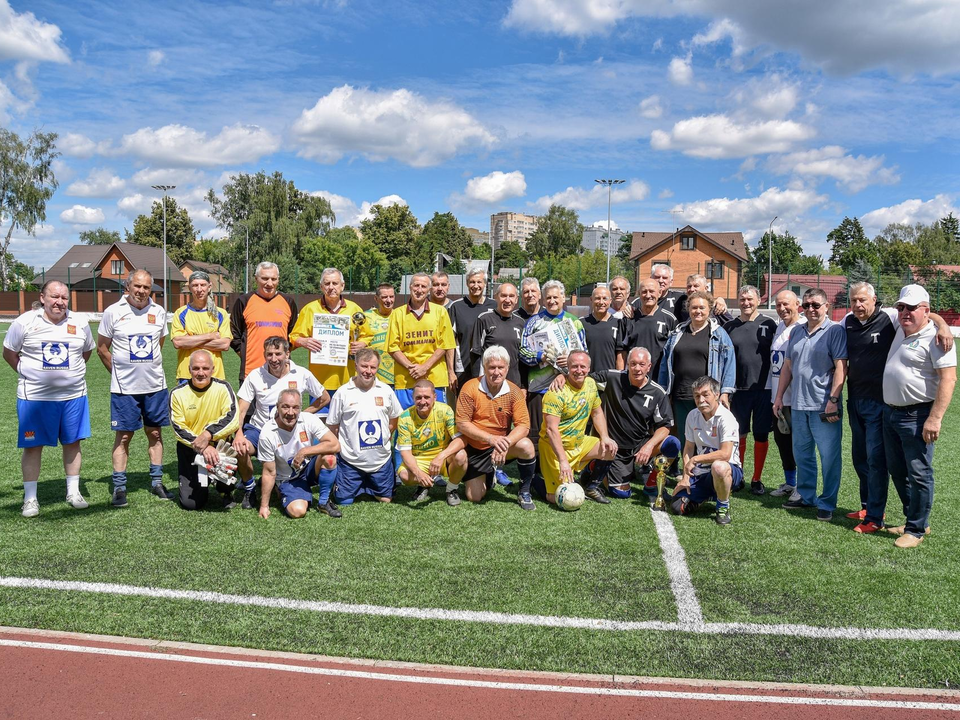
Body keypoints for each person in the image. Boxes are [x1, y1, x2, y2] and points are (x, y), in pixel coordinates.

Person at [843, 281, 953, 529]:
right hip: (874, 406)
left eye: (863, 300)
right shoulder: (862, 323)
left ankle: (903, 523)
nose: (858, 305)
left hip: (902, 409)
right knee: (881, 465)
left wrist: (943, 324)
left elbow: (948, 377)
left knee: (906, 469)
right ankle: (890, 514)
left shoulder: (903, 323)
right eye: (854, 301)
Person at [3, 280, 95, 517]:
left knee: (73, 443)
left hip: (73, 396)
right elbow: (9, 353)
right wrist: (29, 375)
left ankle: (73, 492)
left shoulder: (80, 323)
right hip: (34, 398)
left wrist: (68, 376)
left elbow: (86, 351)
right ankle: (31, 499)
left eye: (64, 298)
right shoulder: (24, 322)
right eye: (55, 297)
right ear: (42, 298)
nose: (60, 302)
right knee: (33, 446)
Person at [881, 284, 956, 547]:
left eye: (912, 308)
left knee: (919, 472)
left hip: (917, 414)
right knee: (898, 470)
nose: (905, 312)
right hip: (890, 413)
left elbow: (948, 379)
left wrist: (934, 419)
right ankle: (915, 520)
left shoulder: (936, 338)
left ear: (925, 310)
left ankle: (915, 531)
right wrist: (938, 320)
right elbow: (919, 312)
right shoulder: (901, 327)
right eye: (902, 307)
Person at [97, 269, 172, 507]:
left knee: (156, 434)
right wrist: (119, 373)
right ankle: (119, 487)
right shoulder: (113, 312)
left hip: (155, 385)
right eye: (137, 286)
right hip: (124, 389)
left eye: (146, 287)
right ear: (127, 287)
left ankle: (157, 482)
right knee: (124, 437)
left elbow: (158, 345)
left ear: (151, 289)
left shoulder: (159, 312)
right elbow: (102, 348)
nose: (141, 291)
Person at [773, 288, 847, 522]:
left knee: (829, 457)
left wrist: (833, 400)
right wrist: (778, 397)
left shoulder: (834, 331)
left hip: (824, 406)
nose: (811, 309)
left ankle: (827, 503)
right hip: (798, 404)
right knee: (803, 454)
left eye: (816, 305)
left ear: (827, 307)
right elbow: (787, 366)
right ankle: (806, 496)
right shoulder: (796, 331)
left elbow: (841, 367)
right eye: (807, 305)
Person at [233, 336, 329, 509]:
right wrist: (238, 433)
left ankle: (285, 483)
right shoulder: (255, 375)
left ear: (288, 354)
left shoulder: (301, 374)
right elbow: (241, 409)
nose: (274, 359)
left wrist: (303, 415)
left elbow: (324, 398)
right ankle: (249, 488)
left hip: (288, 430)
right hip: (260, 428)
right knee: (241, 448)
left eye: (278, 354)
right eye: (269, 354)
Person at [658, 290, 735, 477]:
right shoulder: (677, 332)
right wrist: (663, 391)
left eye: (702, 307)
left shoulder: (719, 334)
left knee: (709, 438)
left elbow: (730, 364)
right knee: (687, 438)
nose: (698, 311)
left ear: (709, 309)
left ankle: (712, 475)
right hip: (681, 394)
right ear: (688, 309)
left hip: (707, 398)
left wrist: (724, 392)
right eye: (694, 307)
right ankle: (687, 474)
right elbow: (665, 363)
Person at [454, 345, 537, 509]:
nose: (496, 372)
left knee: (526, 446)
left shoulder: (514, 392)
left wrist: (505, 443)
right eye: (492, 367)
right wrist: (491, 439)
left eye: (501, 367)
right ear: (484, 367)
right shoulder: (470, 387)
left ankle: (524, 492)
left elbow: (524, 426)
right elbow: (462, 424)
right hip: (475, 448)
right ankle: (489, 474)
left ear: (507, 369)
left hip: (500, 446)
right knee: (474, 497)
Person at [585, 347, 673, 499]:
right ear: (627, 364)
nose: (637, 368)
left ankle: (652, 484)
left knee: (672, 444)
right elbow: (583, 378)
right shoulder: (612, 377)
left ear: (649, 367)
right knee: (621, 494)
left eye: (641, 364)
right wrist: (563, 376)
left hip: (639, 444)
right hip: (615, 448)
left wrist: (648, 446)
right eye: (633, 364)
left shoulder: (657, 392)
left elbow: (665, 426)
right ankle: (595, 466)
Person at [537, 350, 617, 505]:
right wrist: (563, 461)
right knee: (557, 499)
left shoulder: (591, 384)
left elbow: (597, 412)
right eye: (574, 366)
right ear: (567, 367)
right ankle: (535, 481)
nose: (579, 370)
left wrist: (605, 437)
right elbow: (551, 430)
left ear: (589, 368)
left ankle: (590, 485)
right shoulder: (556, 393)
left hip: (579, 443)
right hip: (555, 449)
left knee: (610, 449)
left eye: (583, 366)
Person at [326, 348, 403, 505]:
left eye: (373, 367)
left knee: (386, 500)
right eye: (364, 366)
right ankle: (355, 482)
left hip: (380, 460)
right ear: (355, 366)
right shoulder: (342, 393)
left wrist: (384, 437)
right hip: (351, 461)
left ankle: (369, 484)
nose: (368, 371)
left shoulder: (386, 390)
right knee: (343, 501)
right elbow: (333, 427)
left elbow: (394, 419)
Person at [169, 350, 240, 510]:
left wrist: (208, 435)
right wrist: (202, 446)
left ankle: (225, 490)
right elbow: (178, 427)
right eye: (196, 368)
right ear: (189, 369)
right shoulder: (177, 393)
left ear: (213, 369)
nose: (201, 373)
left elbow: (233, 417)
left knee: (225, 480)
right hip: (190, 448)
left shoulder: (223, 388)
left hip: (219, 447)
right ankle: (203, 485)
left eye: (205, 368)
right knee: (191, 504)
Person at [723, 285, 777, 495]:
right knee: (740, 435)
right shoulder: (730, 326)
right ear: (738, 301)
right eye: (742, 299)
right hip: (739, 390)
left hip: (764, 389)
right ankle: (740, 475)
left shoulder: (769, 324)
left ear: (758, 300)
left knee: (761, 435)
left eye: (750, 299)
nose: (746, 303)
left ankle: (757, 479)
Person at [257, 389, 342, 519]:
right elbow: (268, 472)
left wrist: (304, 451)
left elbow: (335, 444)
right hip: (288, 478)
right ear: (277, 407)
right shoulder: (267, 433)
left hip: (308, 469)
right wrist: (264, 506)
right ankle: (280, 488)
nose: (290, 413)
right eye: (285, 407)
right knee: (298, 511)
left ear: (300, 408)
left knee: (330, 457)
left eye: (295, 408)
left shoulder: (308, 419)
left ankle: (323, 502)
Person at [669, 376, 743, 525]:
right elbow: (689, 448)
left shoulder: (726, 418)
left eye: (705, 394)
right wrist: (685, 477)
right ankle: (708, 494)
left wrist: (695, 459)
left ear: (716, 395)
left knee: (719, 467)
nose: (701, 400)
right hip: (702, 472)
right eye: (697, 396)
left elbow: (725, 454)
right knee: (677, 506)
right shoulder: (692, 415)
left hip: (729, 468)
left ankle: (722, 507)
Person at [289, 267, 365, 410]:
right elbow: (294, 337)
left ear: (342, 286)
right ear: (321, 287)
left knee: (347, 425)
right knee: (320, 426)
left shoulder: (354, 309)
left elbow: (367, 335)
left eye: (335, 283)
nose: (331, 287)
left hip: (348, 380)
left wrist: (362, 343)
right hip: (319, 381)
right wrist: (303, 341)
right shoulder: (310, 309)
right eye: (327, 283)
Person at [388, 272, 456, 409]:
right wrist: (411, 367)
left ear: (429, 290)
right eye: (416, 286)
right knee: (405, 423)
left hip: (434, 380)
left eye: (423, 286)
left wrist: (425, 367)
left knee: (435, 423)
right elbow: (392, 347)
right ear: (410, 287)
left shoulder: (440, 312)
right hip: (405, 380)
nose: (419, 290)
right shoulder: (397, 314)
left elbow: (446, 344)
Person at [396, 379, 468, 505]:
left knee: (461, 456)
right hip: (420, 459)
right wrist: (419, 474)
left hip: (443, 457)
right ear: (413, 397)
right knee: (404, 475)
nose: (422, 402)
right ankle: (424, 484)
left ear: (434, 397)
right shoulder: (404, 417)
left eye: (426, 397)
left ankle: (451, 489)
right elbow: (405, 452)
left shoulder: (445, 410)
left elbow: (461, 440)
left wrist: (441, 456)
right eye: (418, 397)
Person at [230, 261, 298, 383]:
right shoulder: (243, 301)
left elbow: (293, 335)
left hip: (281, 374)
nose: (269, 283)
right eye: (265, 278)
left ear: (278, 280)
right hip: (250, 373)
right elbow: (234, 334)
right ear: (256, 279)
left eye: (273, 279)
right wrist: (246, 354)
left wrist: (279, 356)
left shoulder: (288, 302)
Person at [767, 291, 803, 499]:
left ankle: (802, 485)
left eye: (786, 304)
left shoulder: (803, 326)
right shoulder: (781, 325)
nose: (782, 309)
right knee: (783, 442)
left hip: (795, 397)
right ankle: (790, 483)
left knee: (799, 444)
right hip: (778, 397)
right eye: (778, 305)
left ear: (797, 304)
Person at [170, 270, 232, 381]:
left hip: (215, 375)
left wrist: (191, 340)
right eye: (195, 285)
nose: (199, 289)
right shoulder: (180, 313)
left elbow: (224, 345)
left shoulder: (220, 314)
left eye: (202, 285)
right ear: (189, 288)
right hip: (186, 375)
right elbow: (178, 342)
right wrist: (210, 336)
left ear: (209, 287)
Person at [469, 282, 525, 387]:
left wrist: (523, 386)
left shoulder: (520, 323)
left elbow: (522, 358)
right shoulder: (484, 319)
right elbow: (475, 354)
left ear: (516, 299)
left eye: (511, 296)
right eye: (503, 295)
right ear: (496, 297)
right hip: (489, 383)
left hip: (513, 383)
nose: (507, 300)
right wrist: (476, 382)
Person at [448, 268, 496, 390]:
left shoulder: (495, 306)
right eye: (472, 282)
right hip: (463, 369)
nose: (475, 286)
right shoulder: (456, 307)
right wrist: (451, 372)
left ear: (485, 284)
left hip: (491, 368)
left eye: (479, 282)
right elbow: (449, 342)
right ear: (467, 283)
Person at [620, 278, 677, 378]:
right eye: (644, 292)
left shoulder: (669, 319)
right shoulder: (628, 318)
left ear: (659, 293)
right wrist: (620, 377)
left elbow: (674, 352)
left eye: (651, 291)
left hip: (659, 377)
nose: (648, 295)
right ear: (639, 294)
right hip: (633, 377)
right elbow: (621, 352)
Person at [358, 283, 396, 386]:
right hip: (372, 375)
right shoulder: (366, 316)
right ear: (376, 298)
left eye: (391, 296)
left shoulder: (400, 316)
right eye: (384, 297)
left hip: (396, 375)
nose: (389, 300)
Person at [581, 286, 624, 374]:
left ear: (610, 301)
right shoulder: (582, 323)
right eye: (597, 298)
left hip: (609, 378)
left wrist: (619, 377)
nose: (601, 302)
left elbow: (620, 355)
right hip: (587, 378)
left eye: (605, 299)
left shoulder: (618, 324)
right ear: (591, 299)